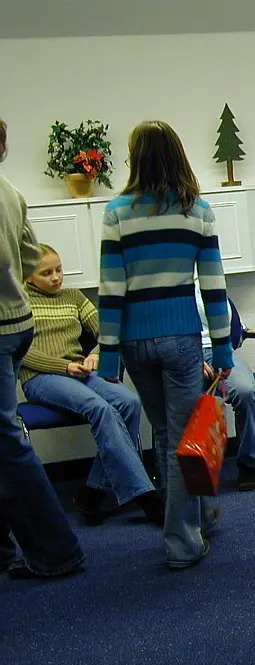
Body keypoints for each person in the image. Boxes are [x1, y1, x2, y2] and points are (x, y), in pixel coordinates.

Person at [98, 120, 233, 570]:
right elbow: (214, 288)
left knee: (165, 434)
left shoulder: (118, 212)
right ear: (178, 155)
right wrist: (224, 350)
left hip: (135, 343)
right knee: (182, 438)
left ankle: (194, 515)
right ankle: (182, 541)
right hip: (181, 341)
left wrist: (110, 356)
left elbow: (111, 290)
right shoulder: (198, 212)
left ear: (136, 158)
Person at [21, 244, 164, 525]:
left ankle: (93, 490)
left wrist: (96, 354)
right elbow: (21, 351)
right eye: (46, 273)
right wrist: (62, 366)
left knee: (129, 401)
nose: (56, 278)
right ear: (28, 277)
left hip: (79, 371)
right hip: (41, 377)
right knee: (101, 408)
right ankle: (146, 497)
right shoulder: (19, 303)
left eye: (59, 270)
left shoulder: (74, 297)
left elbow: (107, 330)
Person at [0, 118, 85, 579]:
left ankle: (58, 552)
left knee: (7, 444)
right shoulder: (9, 190)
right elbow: (31, 257)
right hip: (16, 325)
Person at [195, 282, 255, 491]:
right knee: (189, 400)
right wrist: (191, 358)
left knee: (246, 391)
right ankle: (195, 470)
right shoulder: (166, 288)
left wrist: (222, 355)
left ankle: (248, 464)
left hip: (221, 351)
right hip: (185, 355)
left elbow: (228, 329)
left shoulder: (207, 282)